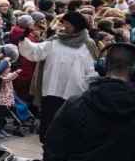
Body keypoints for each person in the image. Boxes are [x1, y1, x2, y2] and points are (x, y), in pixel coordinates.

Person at [20, 11, 98, 142]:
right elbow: (36, 52)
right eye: (63, 23)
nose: (64, 27)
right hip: (51, 90)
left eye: (68, 24)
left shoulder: (88, 44)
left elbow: (92, 70)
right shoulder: (55, 40)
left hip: (74, 93)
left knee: (68, 129)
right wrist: (24, 40)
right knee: (49, 126)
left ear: (77, 25)